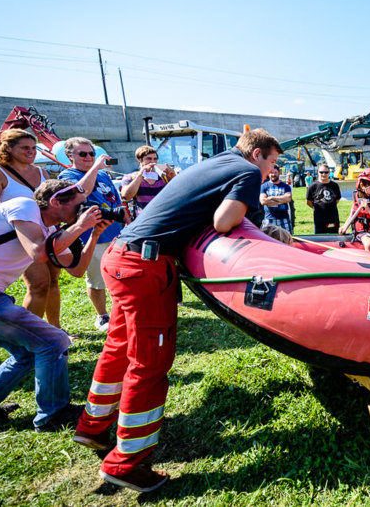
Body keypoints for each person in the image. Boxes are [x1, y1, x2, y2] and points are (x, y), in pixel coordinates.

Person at [72, 129, 283, 493]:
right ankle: (127, 463)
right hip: (145, 267)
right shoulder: (246, 172)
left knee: (118, 347)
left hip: (122, 256)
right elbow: (223, 221)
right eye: (272, 163)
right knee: (149, 363)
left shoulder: (213, 163)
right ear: (258, 154)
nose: (270, 172)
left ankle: (93, 426)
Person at [0, 180, 108, 432]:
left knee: (26, 354)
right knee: (54, 342)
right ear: (56, 201)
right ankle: (54, 414)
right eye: (79, 206)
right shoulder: (24, 206)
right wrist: (80, 225)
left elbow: (77, 269)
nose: (84, 210)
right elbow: (38, 253)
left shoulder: (47, 230)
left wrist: (95, 233)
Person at [0, 130, 59, 325]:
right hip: (20, 236)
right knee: (38, 285)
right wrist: (17, 214)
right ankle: (30, 334)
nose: (31, 152)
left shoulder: (41, 172)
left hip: (48, 231)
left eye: (33, 148)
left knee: (53, 283)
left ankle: (55, 329)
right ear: (8, 148)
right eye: (25, 148)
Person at [60, 138, 128, 332]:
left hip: (117, 234)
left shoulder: (104, 176)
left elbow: (116, 201)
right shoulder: (68, 175)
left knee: (121, 275)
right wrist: (95, 168)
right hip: (93, 236)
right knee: (97, 280)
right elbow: (80, 193)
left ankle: (121, 311)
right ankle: (102, 316)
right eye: (83, 154)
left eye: (92, 153)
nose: (89, 157)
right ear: (70, 156)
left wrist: (129, 225)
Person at [120, 145, 175, 217]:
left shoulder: (164, 177)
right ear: (139, 159)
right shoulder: (130, 177)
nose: (152, 162)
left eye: (155, 159)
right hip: (143, 221)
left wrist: (174, 177)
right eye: (148, 159)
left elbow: (180, 195)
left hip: (164, 219)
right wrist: (140, 176)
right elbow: (126, 196)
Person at [306, 163, 341, 233]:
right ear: (318, 172)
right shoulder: (312, 187)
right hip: (319, 220)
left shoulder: (335, 185)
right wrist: (317, 207)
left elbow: (337, 200)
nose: (323, 174)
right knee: (320, 240)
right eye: (321, 172)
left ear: (329, 173)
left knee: (334, 240)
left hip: (333, 219)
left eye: (326, 172)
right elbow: (308, 202)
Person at [260, 165, 293, 234]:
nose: (273, 174)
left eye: (275, 172)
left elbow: (288, 198)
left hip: (283, 219)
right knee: (268, 241)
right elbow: (263, 201)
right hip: (269, 219)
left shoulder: (285, 186)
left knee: (287, 239)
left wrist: (271, 198)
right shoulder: (264, 186)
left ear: (279, 173)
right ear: (268, 173)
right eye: (271, 172)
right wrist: (281, 200)